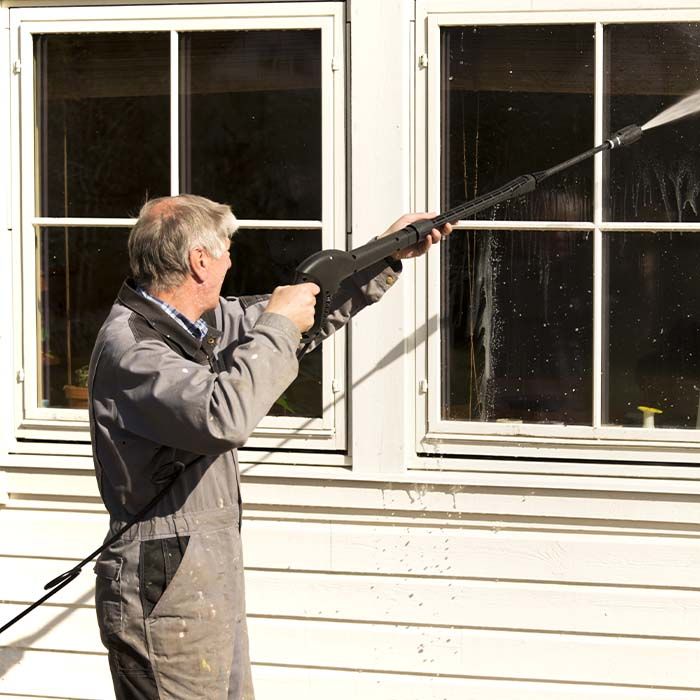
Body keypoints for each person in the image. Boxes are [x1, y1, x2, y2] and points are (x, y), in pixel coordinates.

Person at [88, 193, 451, 700]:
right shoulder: (136, 350)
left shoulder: (194, 327)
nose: (230, 261)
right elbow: (223, 415)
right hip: (163, 582)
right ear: (199, 261)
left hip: (196, 573)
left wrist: (388, 251)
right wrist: (278, 324)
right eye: (225, 251)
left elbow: (306, 307)